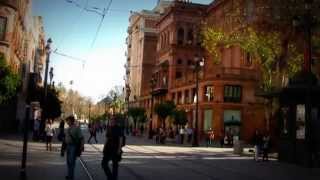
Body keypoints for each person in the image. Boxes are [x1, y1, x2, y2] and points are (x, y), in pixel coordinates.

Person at [64, 116, 84, 180]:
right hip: (68, 146)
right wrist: (63, 149)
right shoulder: (67, 128)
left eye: (68, 120)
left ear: (71, 121)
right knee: (68, 162)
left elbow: (82, 138)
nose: (67, 122)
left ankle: (71, 177)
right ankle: (69, 175)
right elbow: (65, 139)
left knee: (72, 162)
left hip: (73, 146)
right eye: (67, 121)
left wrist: (81, 147)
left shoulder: (76, 128)